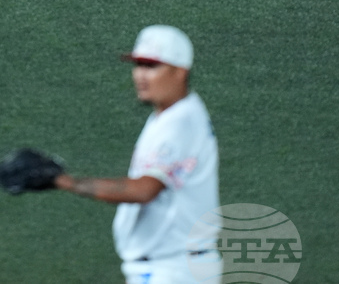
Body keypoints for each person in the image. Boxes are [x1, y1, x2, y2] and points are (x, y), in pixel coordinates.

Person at [54, 25, 221, 284]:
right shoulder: (171, 115)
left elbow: (143, 191)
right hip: (173, 267)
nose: (141, 76)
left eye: (152, 66)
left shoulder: (179, 124)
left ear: (179, 72)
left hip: (173, 270)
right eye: (138, 65)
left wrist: (62, 181)